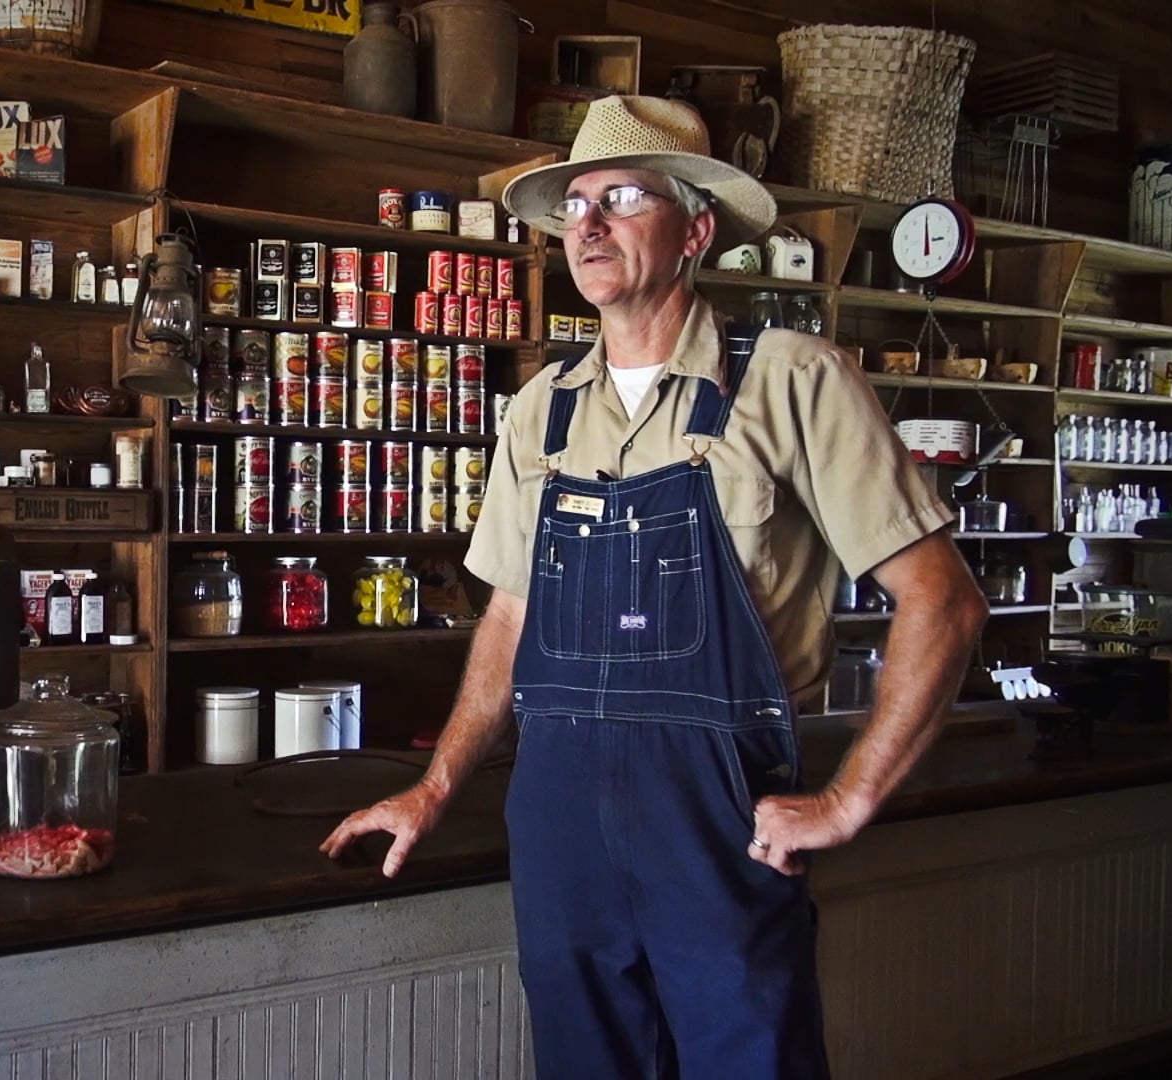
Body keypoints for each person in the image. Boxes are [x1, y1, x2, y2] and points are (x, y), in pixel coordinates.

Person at [320, 96, 989, 1077]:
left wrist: (848, 800)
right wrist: (437, 784)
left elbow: (946, 599)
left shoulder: (791, 381)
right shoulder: (539, 412)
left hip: (716, 818)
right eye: (575, 204)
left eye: (621, 197)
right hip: (559, 824)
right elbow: (511, 615)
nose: (586, 224)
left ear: (696, 229)